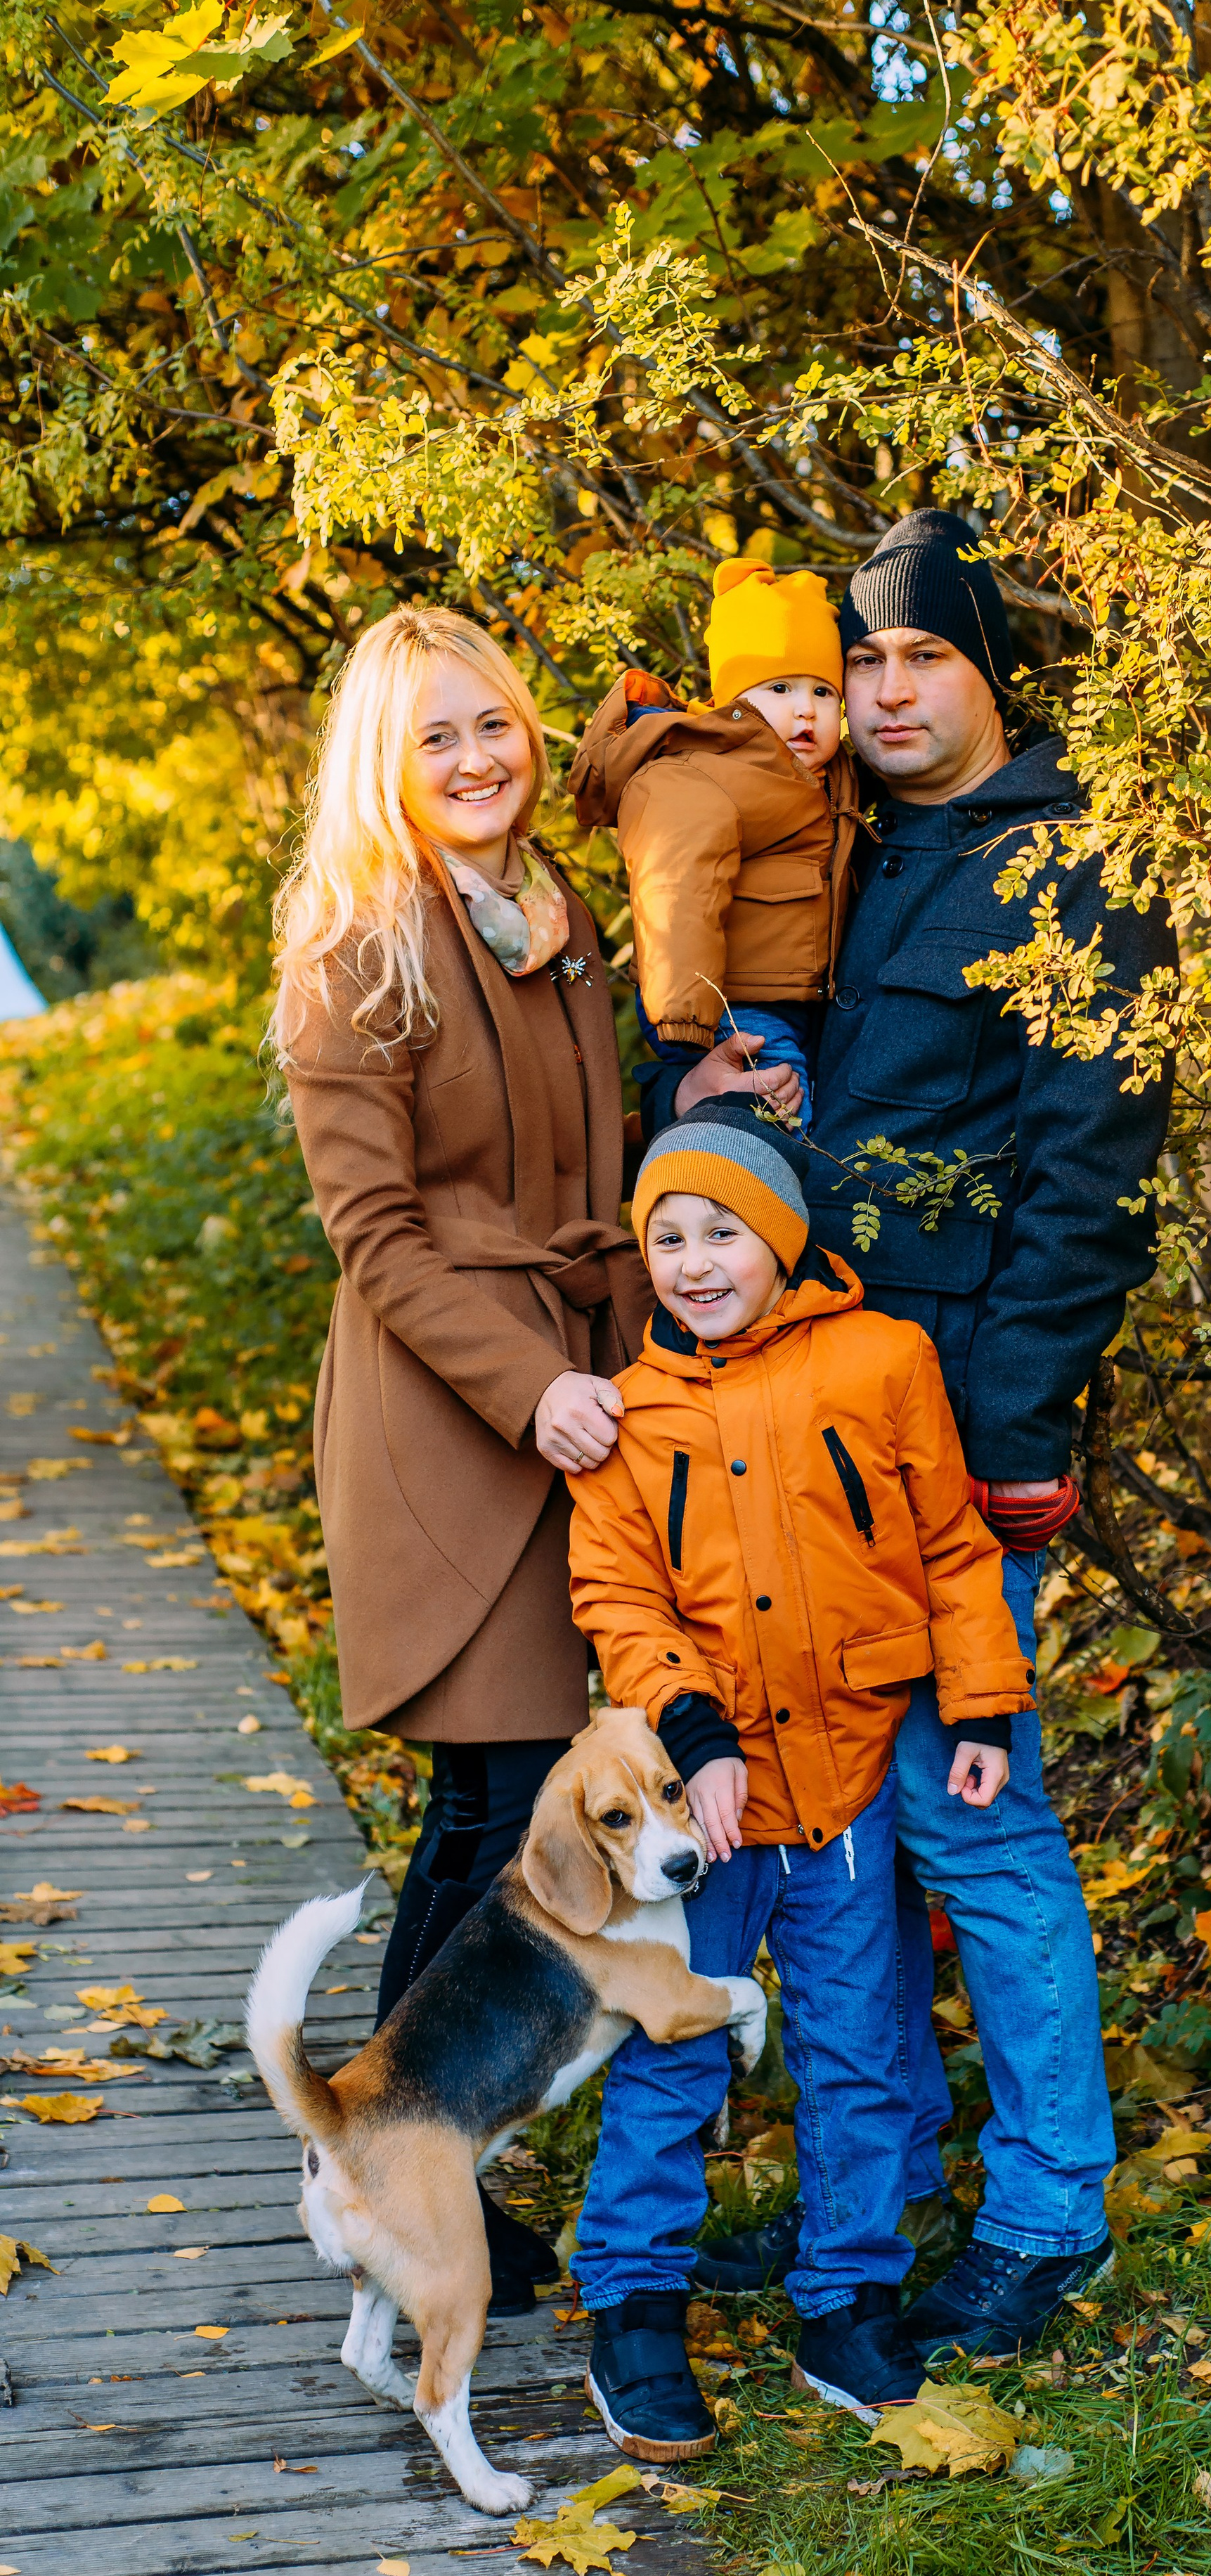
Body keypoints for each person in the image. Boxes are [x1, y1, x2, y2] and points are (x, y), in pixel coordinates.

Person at [642, 512, 1178, 2358]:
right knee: (836, 1837)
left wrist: (1021, 1423)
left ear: (986, 674)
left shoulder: (1069, 868)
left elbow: (1090, 1180)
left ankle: (1045, 2213)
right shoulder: (865, 849)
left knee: (979, 1833)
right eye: (861, 663)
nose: (882, 691)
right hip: (805, 1435)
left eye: (918, 659)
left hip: (953, 1449)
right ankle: (877, 2187)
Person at [268, 604, 652, 2314]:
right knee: (498, 1790)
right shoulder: (354, 944)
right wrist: (530, 1387)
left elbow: (596, 1155)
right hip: (454, 1406)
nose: (480, 759)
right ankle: (393, 2157)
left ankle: (390, 2144)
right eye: (436, 737)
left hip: (585, 1374)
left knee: (490, 1798)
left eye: (493, 724)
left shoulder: (554, 917)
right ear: (383, 763)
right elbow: (379, 1230)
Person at [563, 1102, 1032, 2452]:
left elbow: (950, 1547)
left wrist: (984, 1705)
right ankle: (635, 2303)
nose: (696, 1262)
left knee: (858, 2044)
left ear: (780, 1242)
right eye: (667, 1238)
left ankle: (848, 2293)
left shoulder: (880, 1362)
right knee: (673, 2048)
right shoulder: (628, 1415)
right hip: (698, 1815)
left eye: (725, 1232)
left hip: (847, 1789)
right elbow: (617, 1595)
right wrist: (695, 1734)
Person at [569, 559, 861, 1126]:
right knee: (781, 1116)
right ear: (735, 701)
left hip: (798, 1001)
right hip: (727, 1007)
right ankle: (754, 1207)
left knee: (802, 1108)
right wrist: (683, 1020)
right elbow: (679, 889)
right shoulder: (706, 773)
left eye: (823, 692)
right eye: (780, 688)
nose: (806, 708)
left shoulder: (830, 776)